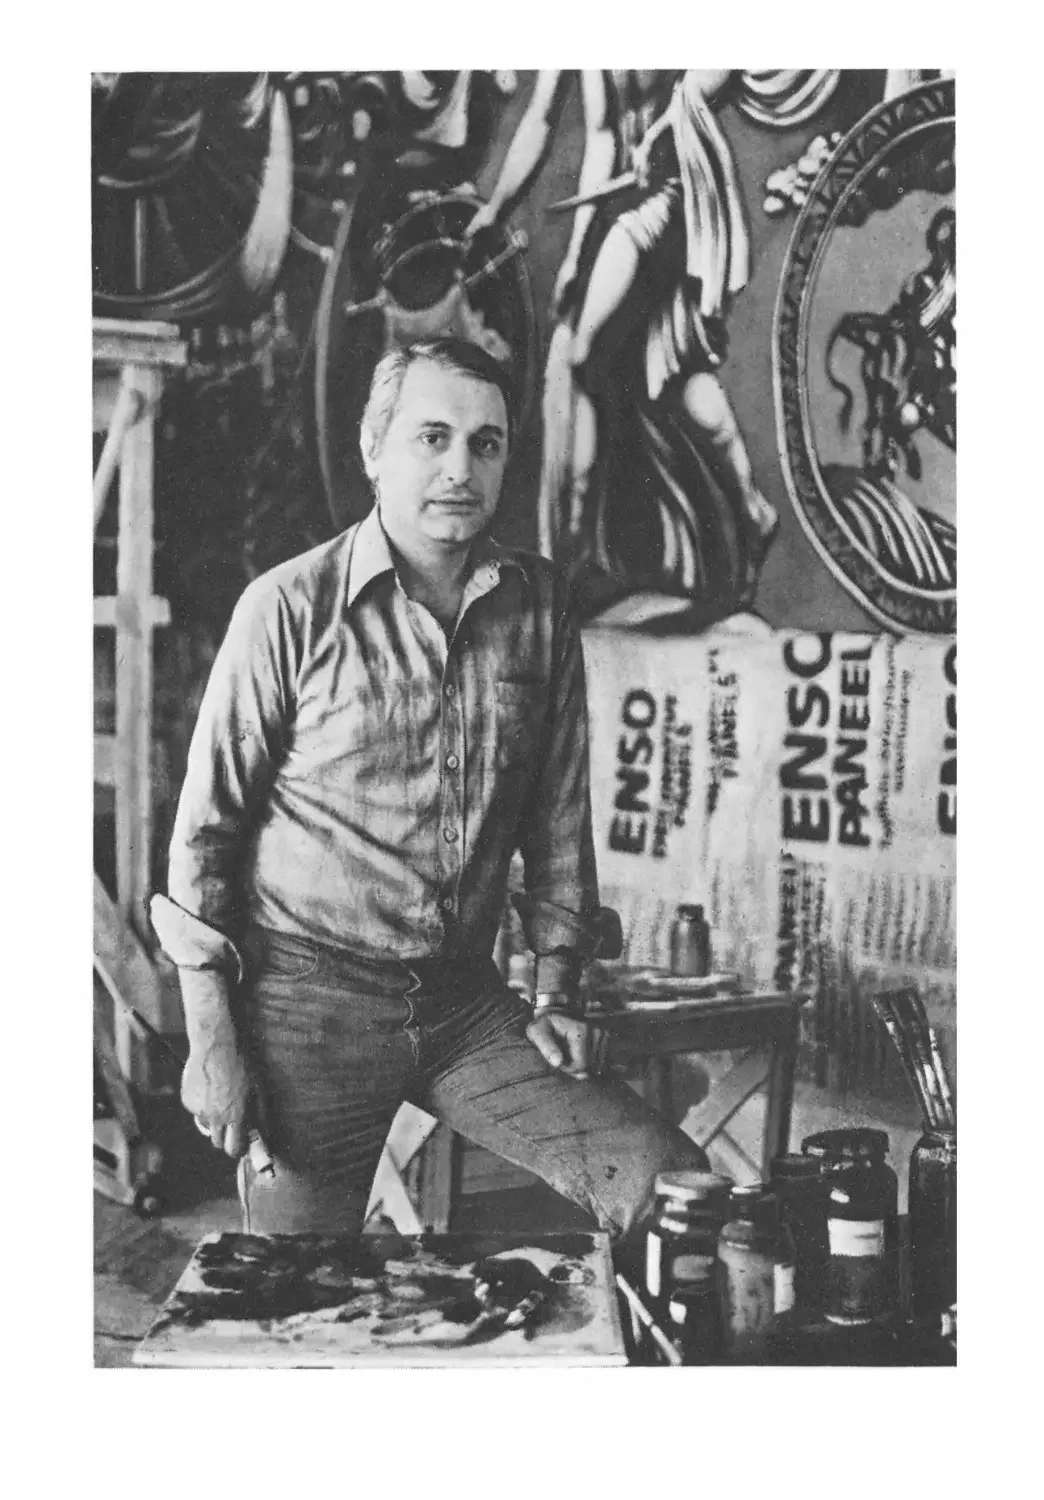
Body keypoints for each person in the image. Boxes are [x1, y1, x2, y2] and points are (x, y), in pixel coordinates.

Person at [151, 335, 708, 1240]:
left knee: (672, 1188)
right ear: (373, 448)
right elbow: (205, 836)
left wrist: (558, 995)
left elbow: (558, 820)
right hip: (309, 1010)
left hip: (464, 1004)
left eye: (486, 444)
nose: (460, 469)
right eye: (432, 437)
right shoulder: (286, 608)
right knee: (296, 1290)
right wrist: (211, 1039)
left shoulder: (540, 605)